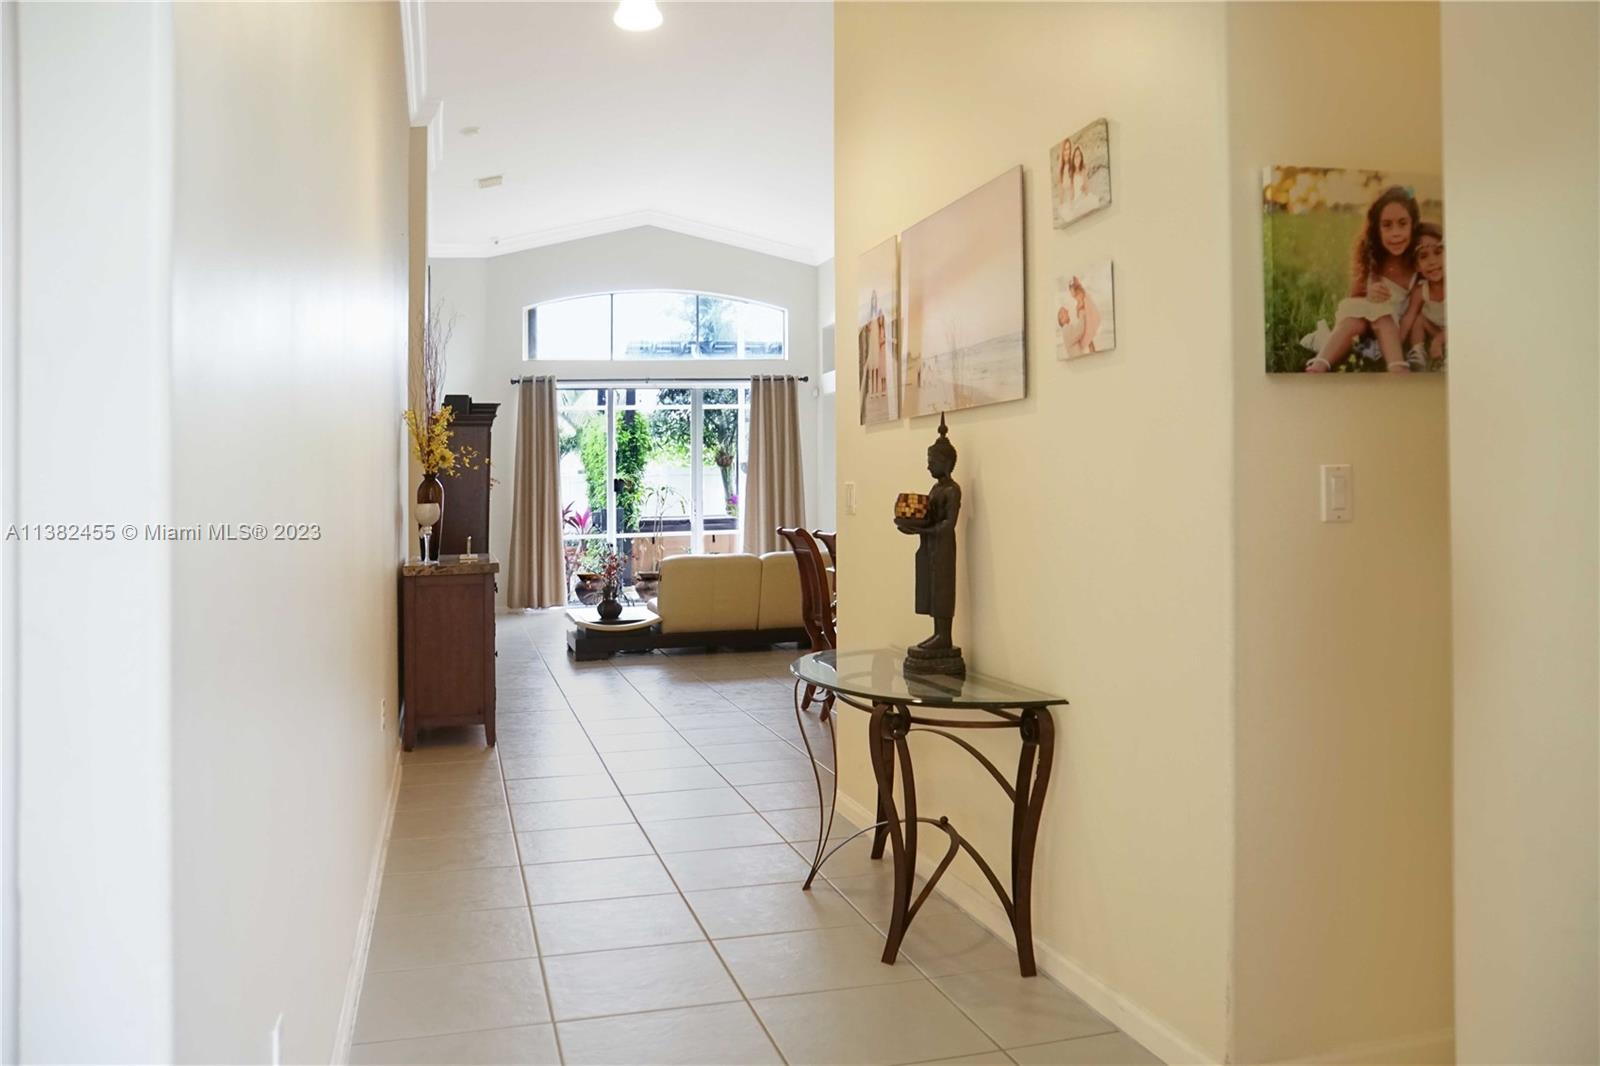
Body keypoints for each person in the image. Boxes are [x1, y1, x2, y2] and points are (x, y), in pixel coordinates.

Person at [1305, 185, 1421, 373]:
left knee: (1383, 316)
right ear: (1376, 229)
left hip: (1391, 331)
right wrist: (1369, 291)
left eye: (1402, 223)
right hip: (1361, 325)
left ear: (1413, 224)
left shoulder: (1418, 260)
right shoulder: (1372, 256)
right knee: (1353, 318)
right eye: (1387, 225)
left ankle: (1397, 367)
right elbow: (1355, 296)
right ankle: (1319, 364)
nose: (1396, 233)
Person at [894, 416, 961, 654]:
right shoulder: (936, 488)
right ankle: (937, 633)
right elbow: (931, 517)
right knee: (931, 588)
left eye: (931, 461)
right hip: (929, 545)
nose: (928, 466)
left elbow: (948, 524)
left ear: (945, 462)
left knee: (942, 589)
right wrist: (912, 524)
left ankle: (944, 636)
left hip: (943, 547)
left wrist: (923, 529)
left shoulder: (952, 490)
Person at [1407, 222, 1447, 370]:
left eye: (1438, 253)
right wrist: (1395, 341)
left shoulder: (1455, 285)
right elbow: (1408, 317)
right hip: (1436, 330)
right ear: (1417, 266)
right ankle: (1418, 353)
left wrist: (1438, 340)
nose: (1432, 262)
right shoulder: (1421, 290)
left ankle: (1447, 362)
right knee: (1418, 319)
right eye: (1423, 257)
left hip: (1457, 332)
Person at [1068, 276, 1101, 355]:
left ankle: (1092, 352)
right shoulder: (1078, 295)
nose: (1071, 293)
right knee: (1089, 339)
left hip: (1086, 319)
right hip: (1084, 318)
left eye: (1071, 290)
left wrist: (1078, 308)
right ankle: (1092, 351)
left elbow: (1081, 304)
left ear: (1074, 289)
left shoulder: (1079, 294)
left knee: (1088, 338)